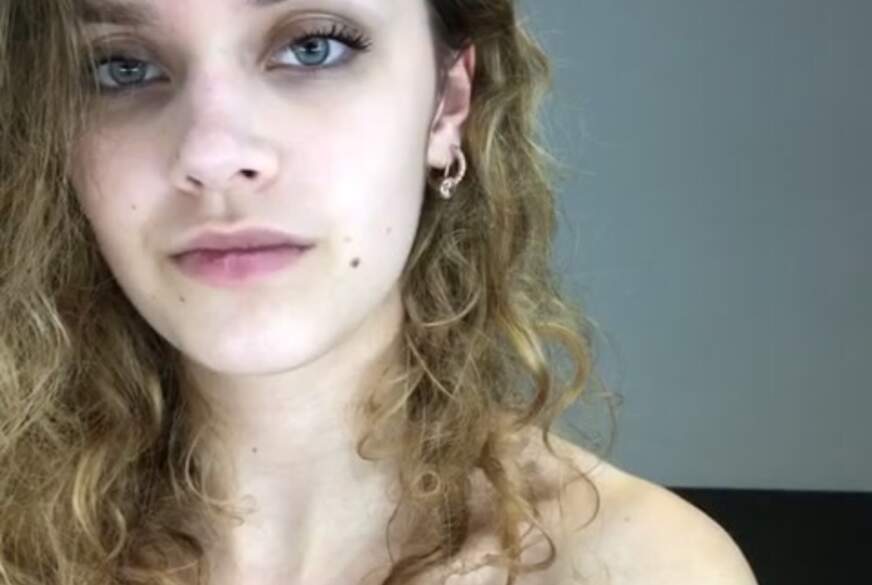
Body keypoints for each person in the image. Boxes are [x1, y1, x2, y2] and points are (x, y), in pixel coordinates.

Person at [0, 1, 758, 584]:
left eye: (313, 46)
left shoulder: (639, 567)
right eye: (122, 67)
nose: (212, 154)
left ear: (447, 103)